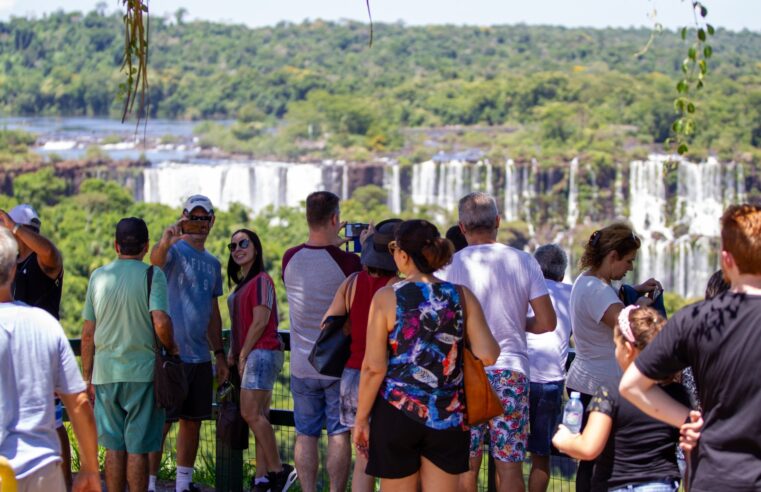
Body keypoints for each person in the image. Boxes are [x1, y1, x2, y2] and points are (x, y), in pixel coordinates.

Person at [620, 204, 761, 492]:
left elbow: (631, 385)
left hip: (714, 475)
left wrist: (687, 421)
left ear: (726, 260)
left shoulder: (693, 319)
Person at [353, 219, 499, 492]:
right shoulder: (461, 295)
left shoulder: (386, 298)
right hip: (448, 414)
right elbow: (489, 354)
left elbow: (373, 368)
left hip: (396, 411)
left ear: (403, 255)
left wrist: (361, 419)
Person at [437, 192, 556, 492]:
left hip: (465, 373)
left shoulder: (449, 265)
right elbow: (548, 322)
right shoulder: (524, 262)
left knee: (466, 465)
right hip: (510, 371)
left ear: (461, 228)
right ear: (498, 222)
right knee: (509, 466)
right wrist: (518, 322)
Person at [0, 227, 100, 492]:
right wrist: (90, 467)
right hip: (42, 467)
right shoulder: (44, 324)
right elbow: (78, 403)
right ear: (13, 271)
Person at [81, 217, 177, 492]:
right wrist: (172, 347)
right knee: (137, 448)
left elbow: (88, 333)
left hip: (106, 373)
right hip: (143, 373)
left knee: (113, 446)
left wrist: (87, 377)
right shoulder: (153, 275)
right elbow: (160, 321)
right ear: (146, 247)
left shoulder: (98, 277)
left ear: (115, 245)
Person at [553, 306, 689, 492]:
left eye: (616, 345)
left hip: (617, 485)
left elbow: (588, 448)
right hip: (662, 484)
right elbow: (691, 452)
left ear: (627, 349)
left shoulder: (611, 392)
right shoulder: (679, 394)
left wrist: (563, 440)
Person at [565, 223, 659, 491]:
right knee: (603, 465)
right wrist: (641, 308)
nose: (629, 268)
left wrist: (634, 290)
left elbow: (608, 303)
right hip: (601, 386)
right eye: (628, 261)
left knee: (591, 461)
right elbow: (630, 328)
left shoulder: (587, 280)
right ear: (612, 256)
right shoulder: (598, 292)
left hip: (585, 380)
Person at [281, 191, 361, 492]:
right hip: (336, 363)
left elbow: (317, 258)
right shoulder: (348, 262)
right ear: (335, 219)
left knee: (305, 434)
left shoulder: (290, 258)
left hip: (302, 363)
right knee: (338, 434)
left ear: (307, 218)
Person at [149, 195, 229, 492]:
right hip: (172, 353)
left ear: (212, 221)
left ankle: (183, 484)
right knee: (164, 422)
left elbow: (213, 312)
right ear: (184, 217)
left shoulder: (213, 263)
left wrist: (219, 354)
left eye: (203, 218)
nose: (198, 224)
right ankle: (149, 483)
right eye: (193, 217)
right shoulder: (174, 252)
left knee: (193, 421)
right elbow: (155, 262)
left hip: (200, 355)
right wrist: (167, 238)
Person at [322, 219, 401, 492]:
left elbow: (327, 323)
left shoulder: (352, 282)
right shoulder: (396, 286)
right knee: (391, 456)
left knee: (363, 457)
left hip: (351, 374)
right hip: (383, 376)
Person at [0, 204, 71, 490]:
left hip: (41, 357)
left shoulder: (41, 264)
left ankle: (62, 483)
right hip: (14, 356)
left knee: (53, 424)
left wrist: (15, 228)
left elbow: (52, 254)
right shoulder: (10, 268)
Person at [225, 228, 296, 492]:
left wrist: (242, 353)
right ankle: (262, 478)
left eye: (243, 243)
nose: (238, 249)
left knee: (250, 414)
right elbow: (240, 324)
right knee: (261, 416)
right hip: (252, 353)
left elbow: (261, 321)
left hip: (262, 352)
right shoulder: (243, 284)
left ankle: (280, 472)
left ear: (256, 247)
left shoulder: (262, 280)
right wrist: (234, 350)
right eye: (232, 246)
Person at [526, 244, 573, 492]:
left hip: (517, 378)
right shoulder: (572, 294)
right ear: (563, 274)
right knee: (541, 455)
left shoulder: (524, 290)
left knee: (507, 457)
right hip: (550, 383)